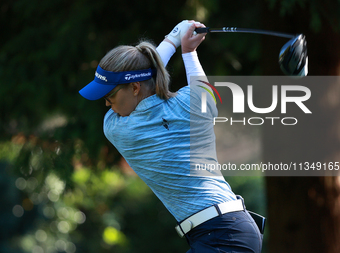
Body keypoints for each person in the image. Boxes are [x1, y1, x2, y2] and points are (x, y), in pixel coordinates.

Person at [79, 20, 263, 253]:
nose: (106, 103)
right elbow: (196, 91)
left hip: (223, 233)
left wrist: (173, 40)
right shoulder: (190, 103)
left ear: (134, 88)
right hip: (228, 229)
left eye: (110, 95)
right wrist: (187, 51)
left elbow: (150, 74)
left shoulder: (116, 127)